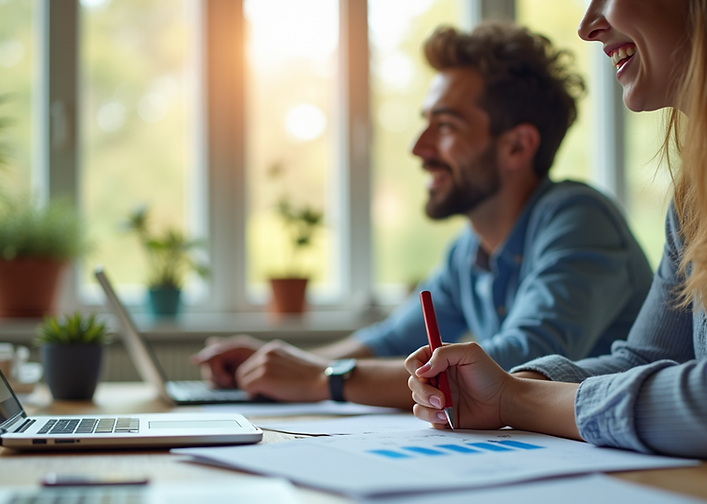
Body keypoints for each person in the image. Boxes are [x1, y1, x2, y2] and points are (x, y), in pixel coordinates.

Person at [407, 0, 707, 469]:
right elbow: (651, 356)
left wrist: (516, 400)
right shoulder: (701, 192)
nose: (586, 27)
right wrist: (516, 384)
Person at [195, 22, 653, 408]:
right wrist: (277, 365)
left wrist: (323, 379)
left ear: (517, 145)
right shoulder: (468, 253)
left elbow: (516, 361)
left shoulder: (579, 220)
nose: (419, 147)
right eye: (425, 122)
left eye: (446, 126)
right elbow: (391, 342)